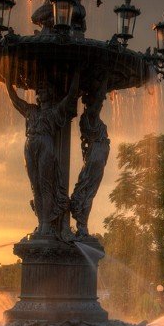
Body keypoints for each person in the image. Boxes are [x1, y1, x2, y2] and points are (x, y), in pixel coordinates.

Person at [6, 70, 80, 236]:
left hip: (46, 144)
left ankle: (46, 225)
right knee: (36, 187)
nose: (39, 92)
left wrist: (77, 75)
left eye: (43, 89)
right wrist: (7, 80)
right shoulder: (31, 110)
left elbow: (70, 98)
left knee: (45, 185)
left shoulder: (53, 112)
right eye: (38, 89)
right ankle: (41, 224)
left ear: (51, 92)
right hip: (29, 144)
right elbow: (14, 99)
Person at [71, 77, 111, 237]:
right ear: (91, 101)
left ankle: (82, 224)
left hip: (98, 155)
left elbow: (100, 97)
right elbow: (101, 96)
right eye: (98, 100)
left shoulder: (90, 116)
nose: (101, 102)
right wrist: (105, 78)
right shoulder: (91, 115)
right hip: (96, 155)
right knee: (88, 191)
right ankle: (82, 225)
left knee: (88, 190)